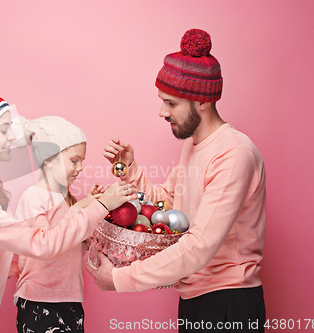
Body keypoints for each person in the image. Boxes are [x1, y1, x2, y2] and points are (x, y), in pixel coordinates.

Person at [0, 74, 136, 333]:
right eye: (4, 130)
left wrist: (30, 270)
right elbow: (42, 243)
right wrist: (102, 206)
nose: (12, 138)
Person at [86, 29, 267, 333]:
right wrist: (129, 169)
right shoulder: (194, 145)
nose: (162, 112)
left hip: (228, 303)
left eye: (171, 103)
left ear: (202, 102)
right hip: (195, 297)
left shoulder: (234, 154)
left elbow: (199, 246)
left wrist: (119, 279)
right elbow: (168, 205)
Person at [13, 116, 106, 333]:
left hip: (69, 299)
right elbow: (44, 245)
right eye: (74, 160)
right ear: (48, 158)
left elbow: (71, 249)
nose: (80, 167)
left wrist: (89, 221)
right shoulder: (34, 197)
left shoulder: (65, 198)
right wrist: (82, 207)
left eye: (82, 161)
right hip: (39, 301)